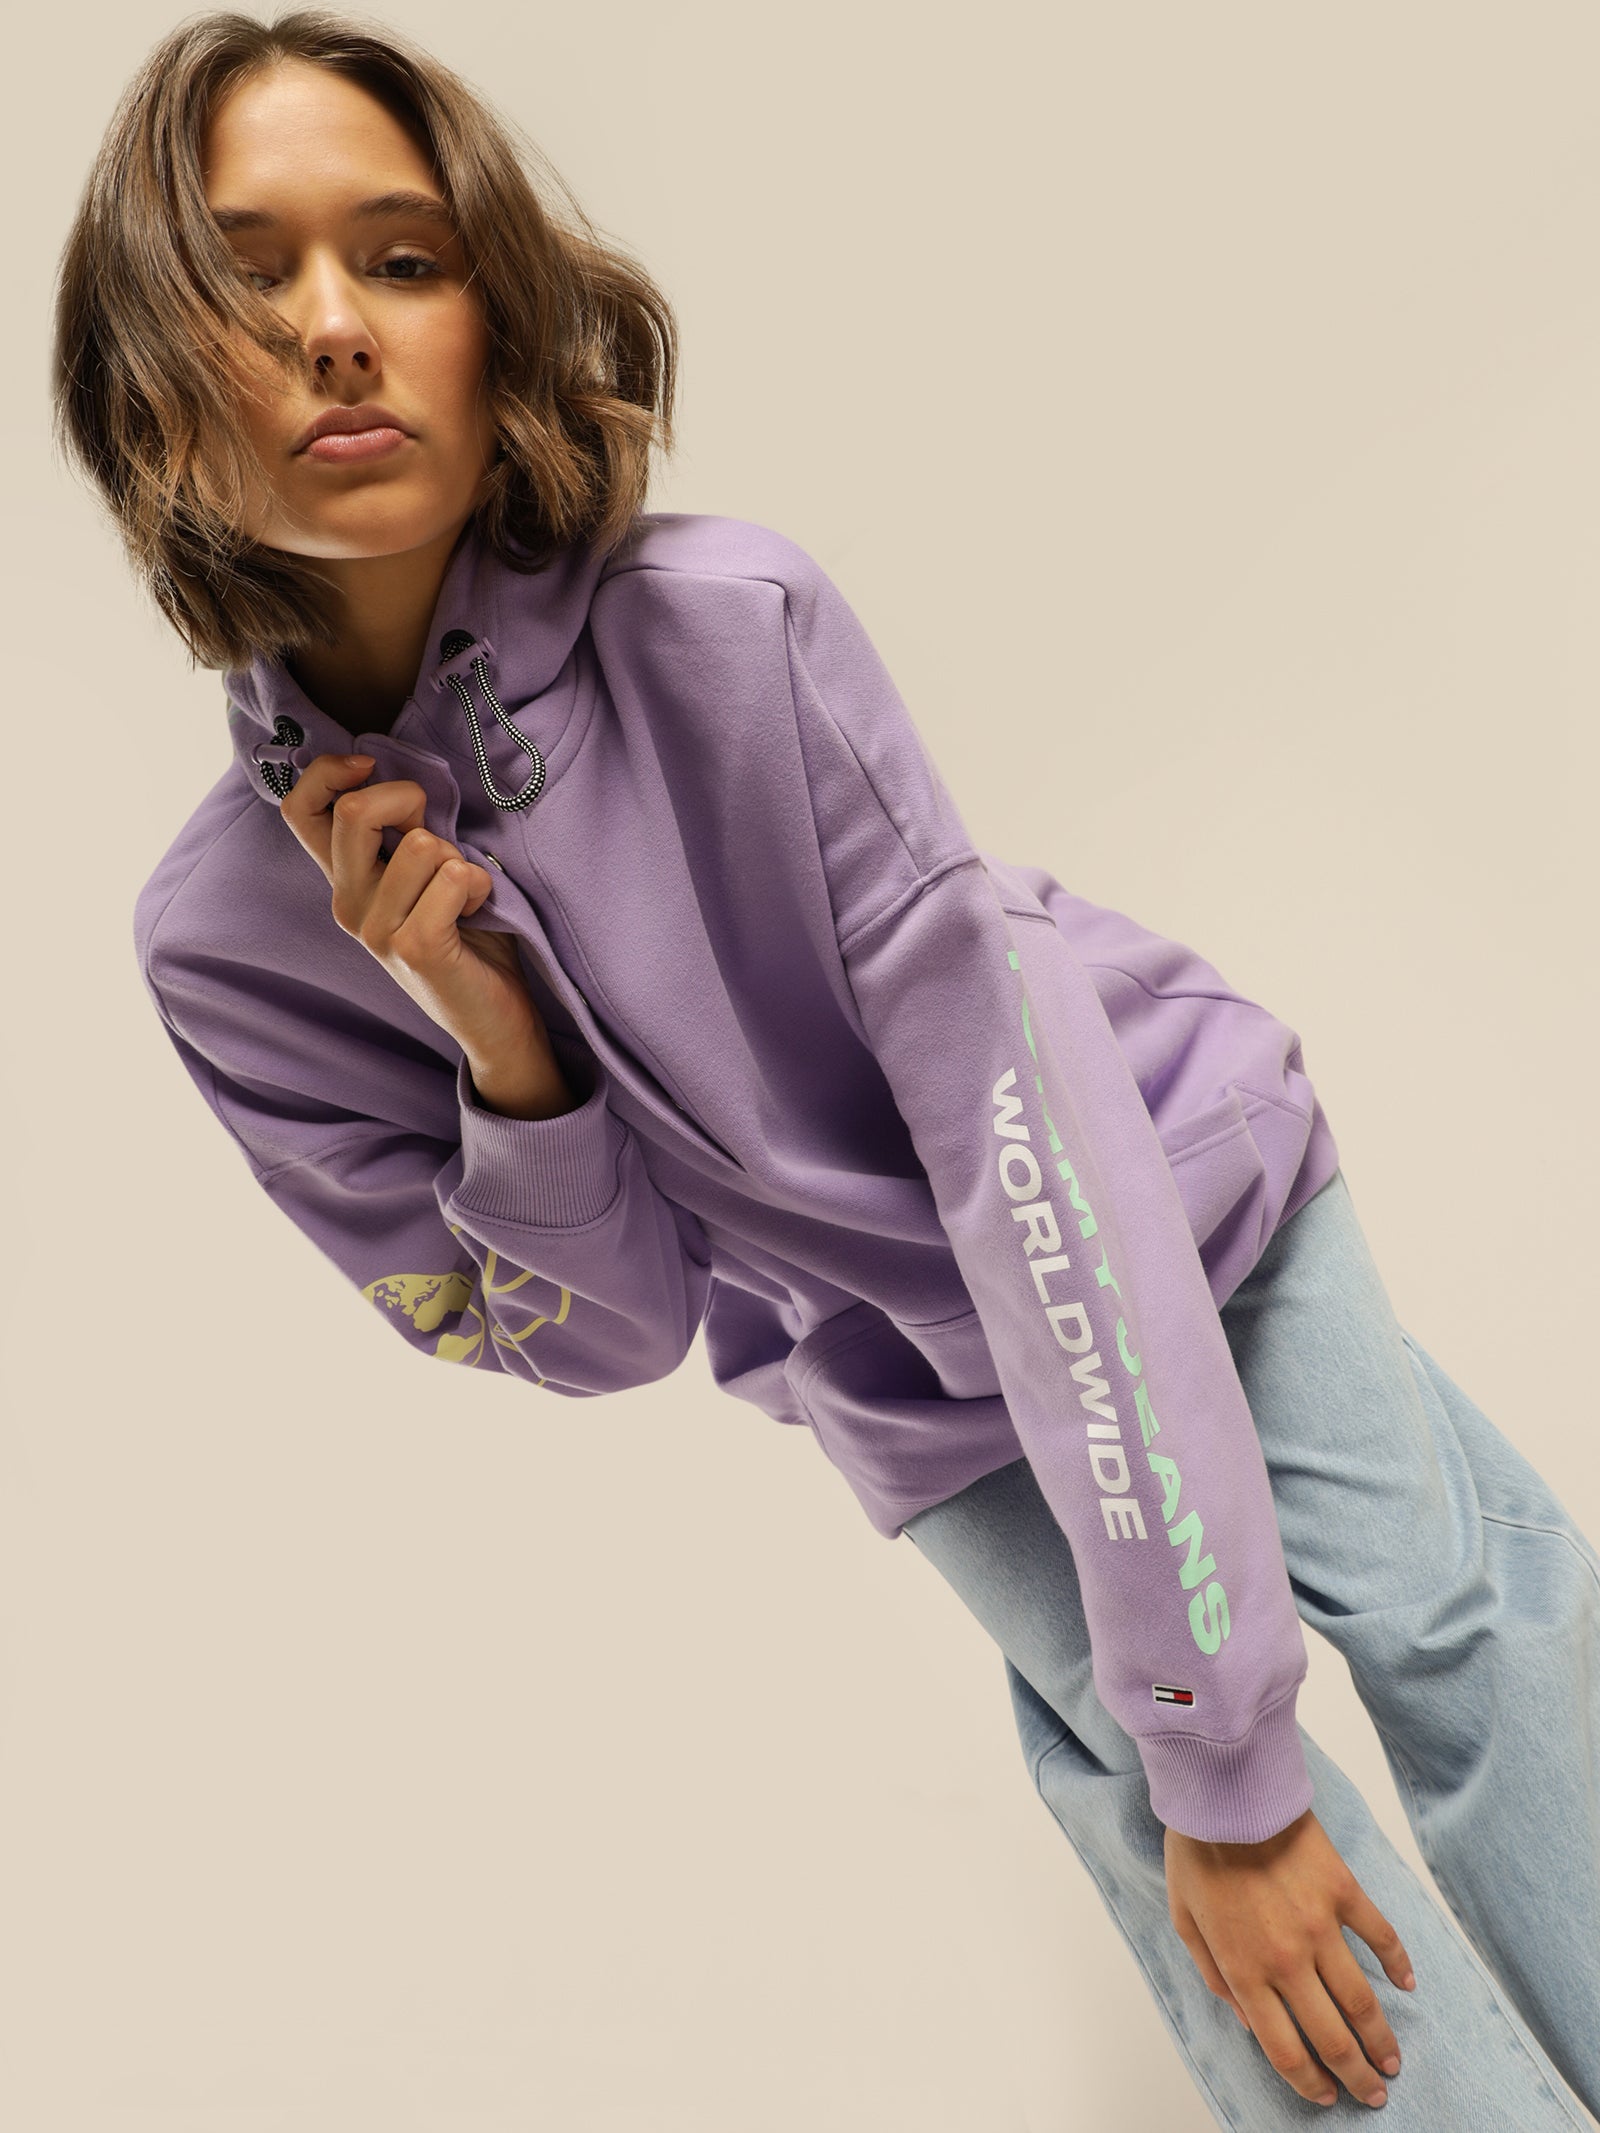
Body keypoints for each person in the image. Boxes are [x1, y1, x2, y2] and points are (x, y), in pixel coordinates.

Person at [51, 11, 1600, 2125]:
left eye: (403, 259)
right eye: (249, 275)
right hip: (898, 1368)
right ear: (141, 377)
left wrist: (1218, 1740)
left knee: (1459, 1631)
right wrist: (505, 1055)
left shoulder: (728, 624)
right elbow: (603, 1339)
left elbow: (1017, 1134)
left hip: (1164, 1189)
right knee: (1193, 1830)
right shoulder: (230, 936)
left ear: (497, 322)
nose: (335, 327)